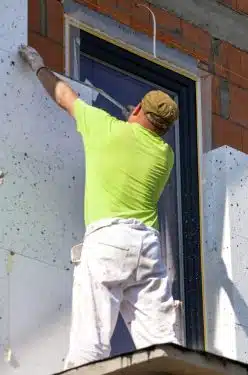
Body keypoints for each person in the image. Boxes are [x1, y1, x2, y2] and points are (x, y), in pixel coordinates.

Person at [18, 45, 180, 369]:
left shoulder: (104, 128)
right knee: (162, 343)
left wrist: (39, 67)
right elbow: (139, 142)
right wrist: (132, 124)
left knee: (89, 343)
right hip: (147, 248)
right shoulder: (166, 156)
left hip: (108, 241)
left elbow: (64, 96)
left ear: (137, 112)